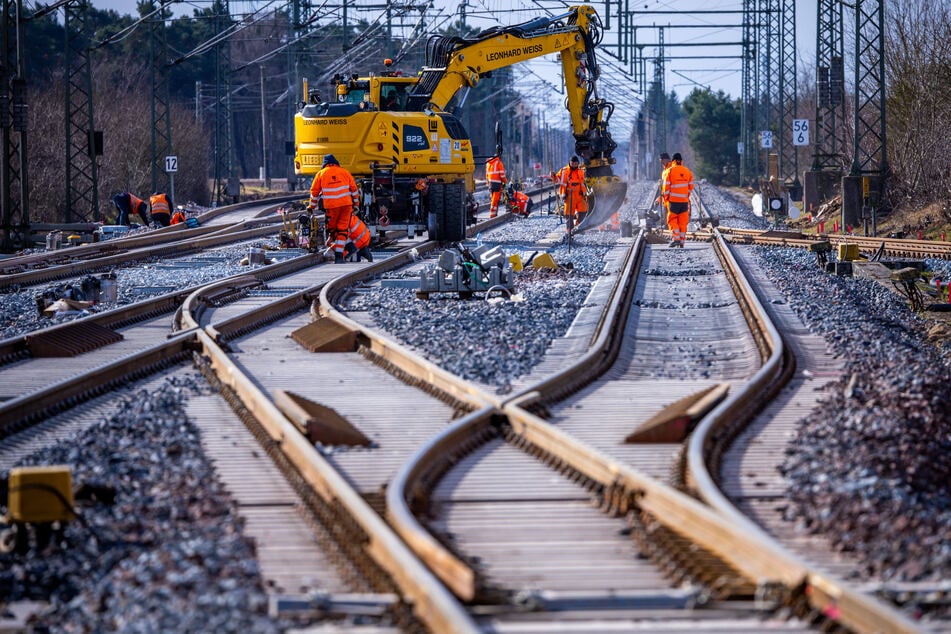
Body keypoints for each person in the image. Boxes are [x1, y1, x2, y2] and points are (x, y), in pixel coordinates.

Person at [308, 154, 359, 263]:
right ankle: (344, 252)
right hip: (346, 206)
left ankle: (344, 252)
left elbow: (314, 193)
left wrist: (311, 206)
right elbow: (354, 190)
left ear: (324, 164)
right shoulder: (345, 172)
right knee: (342, 229)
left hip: (332, 207)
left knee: (333, 231)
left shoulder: (321, 174)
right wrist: (356, 204)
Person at [662, 152, 694, 247]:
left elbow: (666, 187)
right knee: (683, 222)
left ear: (673, 161)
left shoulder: (670, 171)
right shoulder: (687, 171)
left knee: (672, 220)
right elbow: (691, 187)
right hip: (684, 202)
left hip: (673, 201)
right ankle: (682, 242)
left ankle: (676, 239)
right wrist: (686, 196)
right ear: (681, 161)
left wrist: (666, 198)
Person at [560, 155, 588, 232]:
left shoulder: (581, 171)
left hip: (580, 195)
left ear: (578, 163)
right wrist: (552, 176)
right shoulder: (564, 171)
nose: (574, 165)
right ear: (570, 162)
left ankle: (578, 227)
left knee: (583, 211)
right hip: (569, 196)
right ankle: (569, 230)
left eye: (576, 163)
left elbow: (585, 181)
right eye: (573, 163)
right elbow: (557, 178)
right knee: (569, 214)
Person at [485, 153, 507, 218]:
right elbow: (502, 174)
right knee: (495, 199)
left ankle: (493, 213)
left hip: (490, 183)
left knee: (493, 198)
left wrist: (488, 183)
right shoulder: (498, 163)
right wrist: (505, 182)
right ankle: (493, 214)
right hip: (497, 183)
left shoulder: (488, 163)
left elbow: (487, 174)